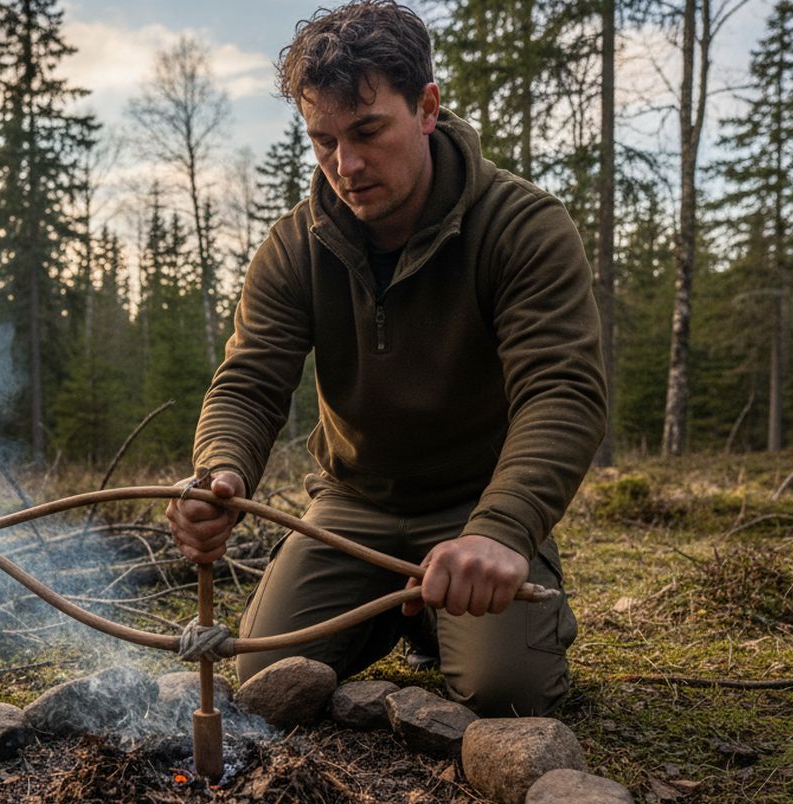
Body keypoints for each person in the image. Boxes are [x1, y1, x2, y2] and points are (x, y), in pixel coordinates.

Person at [166, 0, 606, 717]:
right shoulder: (293, 248)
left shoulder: (523, 227)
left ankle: (454, 614)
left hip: (476, 505)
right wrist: (221, 470)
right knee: (266, 684)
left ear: (427, 108)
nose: (347, 164)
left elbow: (563, 392)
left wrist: (502, 527)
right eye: (324, 140)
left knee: (509, 695)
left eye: (368, 131)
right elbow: (249, 382)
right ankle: (407, 611)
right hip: (350, 508)